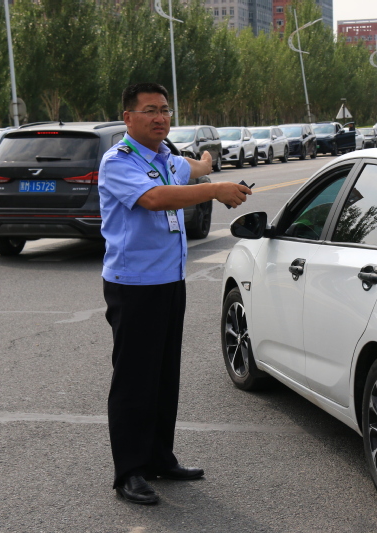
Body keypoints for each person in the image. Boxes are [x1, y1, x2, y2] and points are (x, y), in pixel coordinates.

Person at [99, 82, 252, 505]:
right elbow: (154, 198)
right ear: (128, 118)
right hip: (133, 286)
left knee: (164, 376)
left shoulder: (166, 157)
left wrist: (206, 165)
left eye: (165, 110)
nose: (160, 118)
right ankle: (130, 470)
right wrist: (215, 189)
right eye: (150, 110)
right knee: (134, 379)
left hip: (169, 281)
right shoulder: (119, 161)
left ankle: (159, 458)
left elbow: (188, 168)